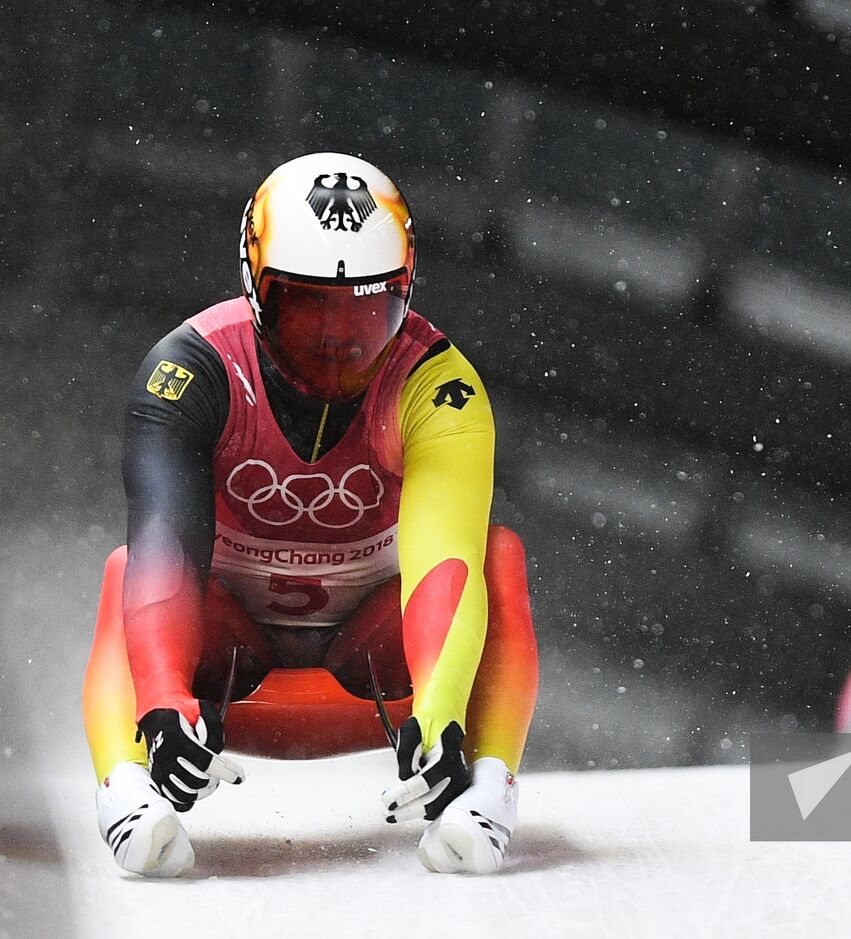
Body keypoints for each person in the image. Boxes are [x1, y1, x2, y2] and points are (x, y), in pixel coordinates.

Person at [81, 152, 538, 877]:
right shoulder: (190, 372)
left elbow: (444, 554)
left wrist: (442, 706)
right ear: (257, 292)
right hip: (230, 645)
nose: (340, 337)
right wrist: (166, 695)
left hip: (377, 652)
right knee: (124, 570)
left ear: (405, 292)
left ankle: (485, 793)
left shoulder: (440, 386)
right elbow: (164, 541)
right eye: (307, 305)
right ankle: (128, 790)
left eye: (366, 305)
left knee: (496, 553)